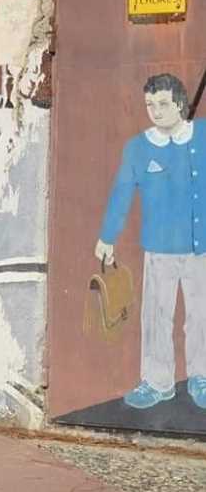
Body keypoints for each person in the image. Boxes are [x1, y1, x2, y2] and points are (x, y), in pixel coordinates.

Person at [95, 73, 206, 410]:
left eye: (162, 104)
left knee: (201, 315)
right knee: (157, 316)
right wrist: (107, 237)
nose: (155, 111)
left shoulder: (202, 136)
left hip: (200, 248)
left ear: (179, 104)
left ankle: (201, 377)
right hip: (158, 250)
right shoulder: (139, 148)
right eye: (149, 105)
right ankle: (158, 383)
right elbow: (121, 193)